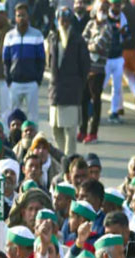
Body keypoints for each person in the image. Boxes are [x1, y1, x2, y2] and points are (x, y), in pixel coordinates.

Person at [46, 8, 90, 156]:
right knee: (55, 128)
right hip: (56, 91)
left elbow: (85, 66)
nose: (63, 23)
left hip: (72, 91)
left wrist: (78, 85)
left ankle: (70, 159)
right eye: (61, 20)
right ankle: (62, 157)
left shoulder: (78, 40)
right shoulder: (53, 38)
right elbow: (49, 61)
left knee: (70, 130)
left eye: (66, 20)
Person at [3, 3, 45, 121]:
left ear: (28, 16)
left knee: (32, 117)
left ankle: (33, 139)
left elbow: (41, 60)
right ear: (15, 17)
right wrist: (9, 80)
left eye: (24, 15)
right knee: (12, 116)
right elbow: (6, 60)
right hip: (15, 83)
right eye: (19, 15)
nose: (21, 18)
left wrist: (38, 80)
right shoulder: (9, 36)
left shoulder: (37, 35)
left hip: (31, 83)